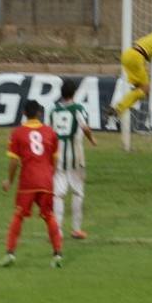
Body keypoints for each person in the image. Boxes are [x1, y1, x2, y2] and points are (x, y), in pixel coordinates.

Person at [0, 99, 63, 268]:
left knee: (18, 215)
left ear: (23, 114)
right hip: (46, 180)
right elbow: (55, 159)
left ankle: (10, 253)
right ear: (39, 114)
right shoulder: (51, 133)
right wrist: (50, 175)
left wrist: (9, 181)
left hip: (27, 181)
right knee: (49, 215)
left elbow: (13, 162)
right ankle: (57, 254)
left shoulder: (17, 133)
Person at [49, 79, 97, 240]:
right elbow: (84, 127)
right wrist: (92, 139)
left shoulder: (53, 111)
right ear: (74, 93)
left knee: (58, 194)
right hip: (76, 156)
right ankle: (76, 229)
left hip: (57, 156)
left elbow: (48, 133)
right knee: (77, 192)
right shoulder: (78, 108)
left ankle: (58, 230)